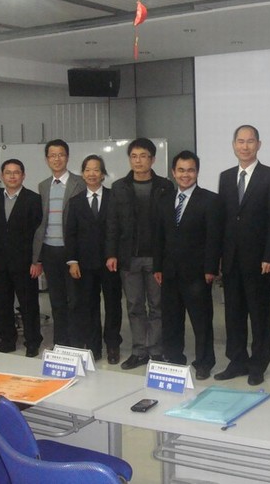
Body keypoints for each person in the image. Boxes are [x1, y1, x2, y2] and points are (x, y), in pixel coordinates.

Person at [215, 125, 270, 386]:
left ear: (259, 145)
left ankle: (258, 364)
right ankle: (237, 361)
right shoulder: (225, 177)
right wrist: (220, 256)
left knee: (259, 314)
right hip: (231, 258)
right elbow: (224, 219)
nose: (245, 146)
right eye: (240, 141)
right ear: (234, 145)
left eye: (250, 141)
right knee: (233, 314)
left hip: (259, 260)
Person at [153, 151, 222, 380]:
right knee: (171, 320)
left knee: (201, 322)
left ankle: (204, 362)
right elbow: (158, 236)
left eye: (190, 170)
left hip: (198, 274)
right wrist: (157, 267)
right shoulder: (164, 200)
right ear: (173, 172)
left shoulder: (210, 200)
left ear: (197, 172)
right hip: (169, 272)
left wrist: (210, 269)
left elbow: (214, 238)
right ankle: (174, 358)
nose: (185, 175)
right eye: (181, 170)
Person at [106, 138, 173, 370]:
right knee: (134, 306)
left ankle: (156, 350)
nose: (138, 161)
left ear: (152, 159)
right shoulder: (119, 187)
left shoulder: (165, 186)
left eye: (143, 156)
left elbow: (169, 225)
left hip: (156, 258)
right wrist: (111, 253)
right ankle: (139, 351)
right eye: (134, 156)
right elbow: (112, 223)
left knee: (157, 306)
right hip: (129, 257)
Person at [0, 159, 43, 356]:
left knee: (28, 304)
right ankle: (7, 339)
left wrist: (37, 261)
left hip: (25, 263)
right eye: (8, 173)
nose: (12, 176)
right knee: (2, 304)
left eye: (16, 172)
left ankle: (33, 341)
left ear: (23, 176)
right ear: (2, 176)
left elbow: (39, 233)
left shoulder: (33, 199)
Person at [65, 155, 123, 364]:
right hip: (85, 263)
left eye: (96, 170)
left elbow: (120, 230)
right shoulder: (75, 202)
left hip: (111, 262)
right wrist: (72, 261)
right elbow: (70, 233)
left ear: (103, 174)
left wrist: (115, 254)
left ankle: (113, 345)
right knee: (89, 305)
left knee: (113, 305)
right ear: (82, 174)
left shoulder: (114, 197)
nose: (92, 174)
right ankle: (93, 346)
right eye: (87, 170)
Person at [32, 139, 85, 347]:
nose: (57, 159)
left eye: (61, 154)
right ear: (47, 159)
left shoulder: (79, 183)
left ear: (67, 157)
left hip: (72, 251)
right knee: (56, 300)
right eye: (52, 155)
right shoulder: (43, 185)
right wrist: (37, 257)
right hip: (49, 250)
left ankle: (76, 342)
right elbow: (42, 222)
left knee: (75, 300)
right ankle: (60, 342)